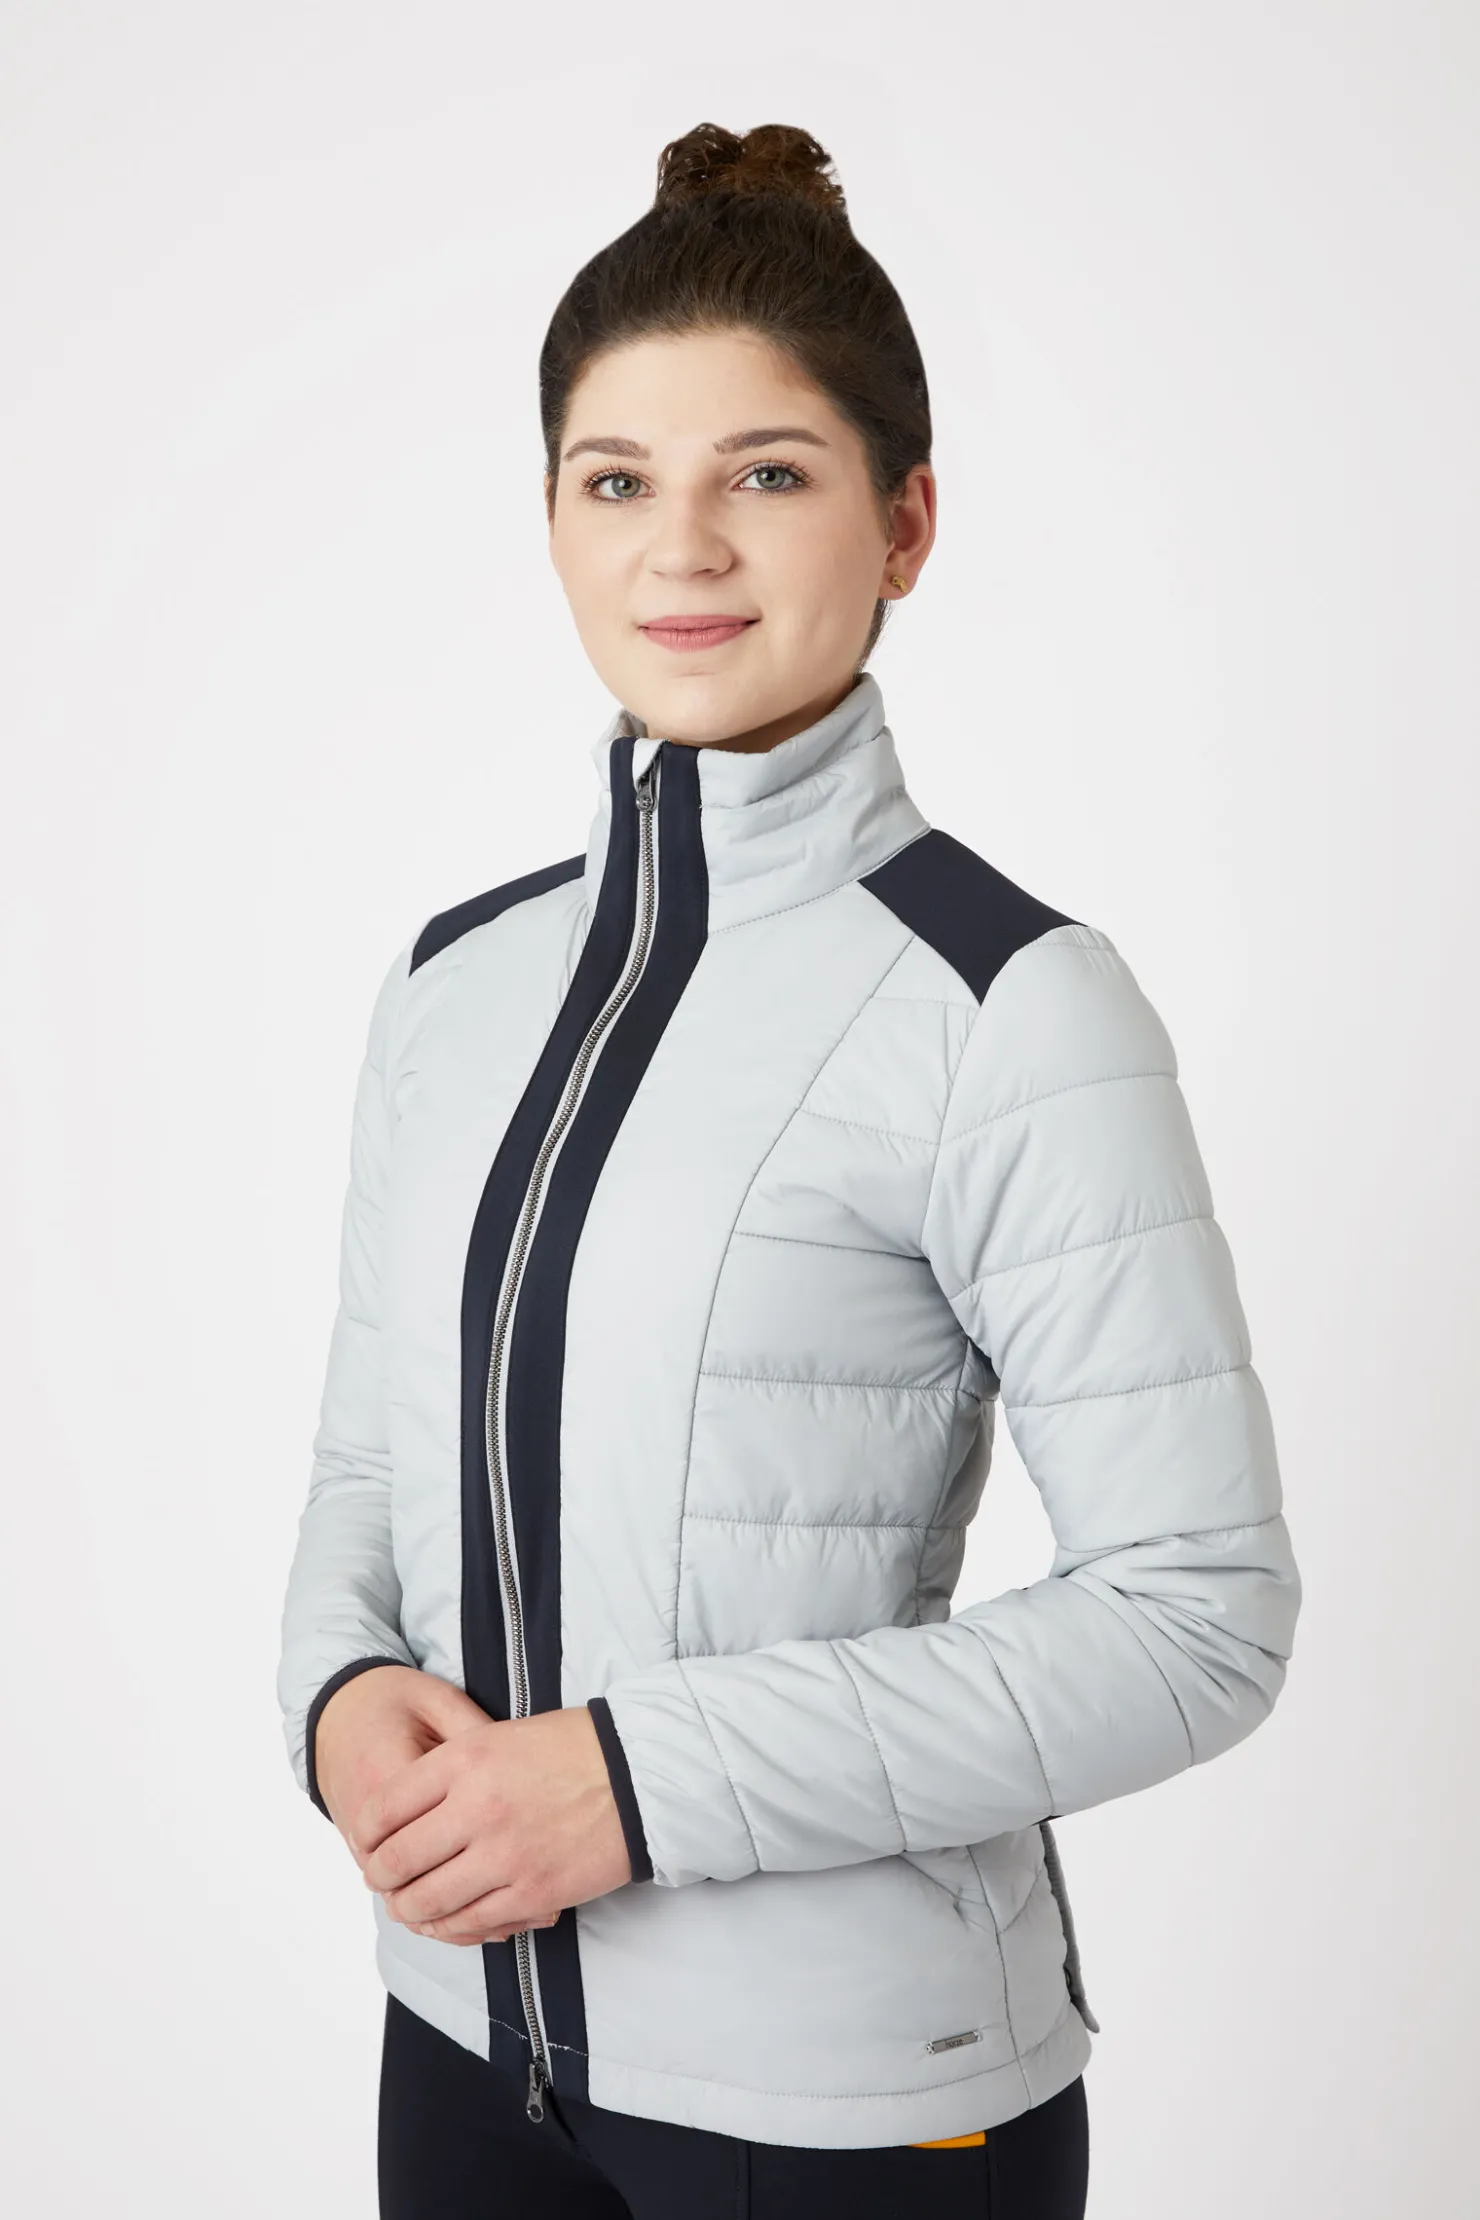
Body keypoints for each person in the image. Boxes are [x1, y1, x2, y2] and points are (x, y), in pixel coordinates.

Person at [276, 119, 1301, 2220]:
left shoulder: (1009, 1007)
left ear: (904, 520)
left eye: (766, 475)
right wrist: (340, 1696)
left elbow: (1198, 1615)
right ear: (550, 520)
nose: (682, 549)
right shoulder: (453, 987)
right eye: (614, 481)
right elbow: (367, 1465)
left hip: (851, 2112)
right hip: (459, 2049)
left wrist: (631, 1786)